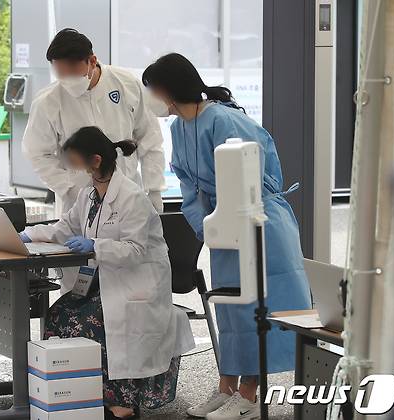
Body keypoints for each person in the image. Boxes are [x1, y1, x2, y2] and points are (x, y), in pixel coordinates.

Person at [142, 53, 311, 420]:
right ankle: (226, 388)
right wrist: (208, 226)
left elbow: (254, 177)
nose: (150, 98)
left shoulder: (223, 119)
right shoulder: (177, 129)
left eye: (152, 89)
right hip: (224, 226)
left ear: (169, 89)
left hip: (259, 222)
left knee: (257, 308)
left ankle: (249, 395)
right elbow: (188, 190)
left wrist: (226, 219)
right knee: (231, 309)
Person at [20, 127, 192, 420]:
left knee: (91, 321)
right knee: (59, 313)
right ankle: (82, 393)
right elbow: (64, 228)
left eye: (75, 161)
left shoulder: (132, 197)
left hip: (136, 285)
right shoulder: (89, 194)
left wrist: (95, 245)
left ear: (95, 161)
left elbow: (135, 250)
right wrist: (27, 234)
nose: (72, 167)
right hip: (104, 282)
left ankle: (121, 401)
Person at [23, 28, 166, 218]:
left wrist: (154, 189)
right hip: (78, 205)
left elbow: (150, 140)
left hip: (128, 194)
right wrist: (70, 189)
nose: (68, 81)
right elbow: (37, 154)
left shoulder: (127, 84)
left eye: (73, 73)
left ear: (92, 61)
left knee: (130, 244)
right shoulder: (48, 102)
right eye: (61, 75)